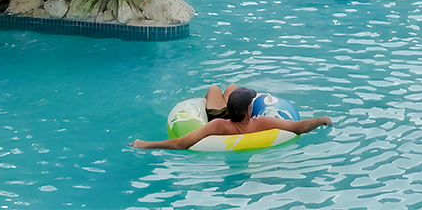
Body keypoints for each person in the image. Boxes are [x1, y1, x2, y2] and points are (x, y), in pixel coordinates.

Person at [132, 85, 332, 150]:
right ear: (250, 109)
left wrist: (145, 144)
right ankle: (228, 94)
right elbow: (298, 127)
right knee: (225, 88)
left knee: (217, 89)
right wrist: (322, 119)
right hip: (228, 112)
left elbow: (181, 143)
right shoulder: (262, 122)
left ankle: (222, 96)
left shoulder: (218, 126)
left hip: (218, 115)